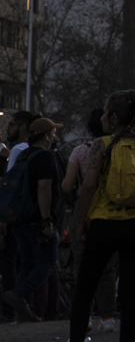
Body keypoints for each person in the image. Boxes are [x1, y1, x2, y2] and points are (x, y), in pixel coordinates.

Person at [68, 90, 135, 342]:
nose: (102, 118)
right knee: (130, 291)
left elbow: (88, 186)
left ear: (114, 119)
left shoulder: (104, 144)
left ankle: (76, 339)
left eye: (106, 114)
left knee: (85, 287)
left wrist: (81, 222)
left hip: (105, 223)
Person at [60, 108, 115, 324]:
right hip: (111, 211)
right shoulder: (117, 149)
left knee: (82, 264)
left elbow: (67, 185)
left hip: (84, 210)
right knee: (108, 266)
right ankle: (108, 317)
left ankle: (86, 315)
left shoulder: (81, 151)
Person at [3, 117, 59, 320]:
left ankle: (21, 309)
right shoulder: (44, 157)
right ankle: (19, 294)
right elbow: (44, 188)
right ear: (46, 136)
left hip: (19, 219)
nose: (55, 136)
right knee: (48, 262)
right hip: (37, 220)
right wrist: (46, 220)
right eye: (53, 132)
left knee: (26, 263)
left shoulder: (23, 155)